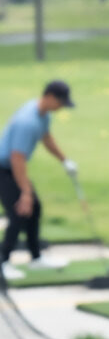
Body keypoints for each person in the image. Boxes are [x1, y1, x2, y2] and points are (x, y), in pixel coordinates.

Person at [0, 80, 78, 279]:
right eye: (61, 102)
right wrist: (25, 192)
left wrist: (64, 160)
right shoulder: (28, 121)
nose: (61, 107)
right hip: (4, 169)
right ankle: (3, 261)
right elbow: (17, 159)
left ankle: (35, 259)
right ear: (50, 97)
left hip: (11, 168)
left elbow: (46, 138)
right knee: (19, 211)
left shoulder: (42, 114)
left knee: (34, 208)